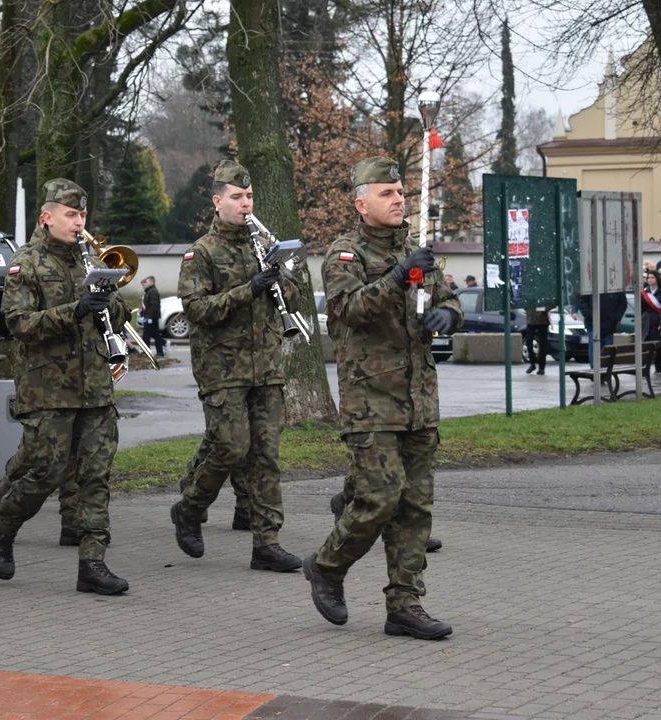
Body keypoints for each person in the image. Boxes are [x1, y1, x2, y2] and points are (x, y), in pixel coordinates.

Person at [303, 156, 461, 639]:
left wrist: (448, 316)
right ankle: (328, 566)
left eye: (400, 192)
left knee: (416, 506)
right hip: (371, 400)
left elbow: (445, 297)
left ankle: (404, 605)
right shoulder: (344, 254)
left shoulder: (416, 253)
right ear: (361, 203)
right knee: (380, 498)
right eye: (387, 193)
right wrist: (396, 279)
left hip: (418, 398)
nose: (399, 200)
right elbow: (347, 310)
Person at [0, 178, 130, 595]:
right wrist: (74, 309)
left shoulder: (91, 261)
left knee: (96, 475)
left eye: (82, 214)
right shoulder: (25, 263)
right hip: (49, 390)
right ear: (47, 218)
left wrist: (109, 299)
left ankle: (93, 563)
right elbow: (18, 324)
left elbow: (119, 317)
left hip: (96, 387)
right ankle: (3, 526)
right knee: (46, 471)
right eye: (70, 214)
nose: (78, 222)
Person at [170, 159, 303, 573]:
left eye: (248, 197)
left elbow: (294, 299)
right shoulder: (202, 252)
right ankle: (190, 508)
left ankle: (267, 543)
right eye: (237, 197)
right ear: (217, 201)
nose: (245, 204)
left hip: (266, 364)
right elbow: (196, 310)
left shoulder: (262, 246)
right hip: (222, 368)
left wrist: (282, 280)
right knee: (230, 445)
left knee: (265, 455)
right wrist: (250, 289)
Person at [578, 292, 627, 367]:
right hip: (593, 324)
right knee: (595, 351)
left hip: (608, 325)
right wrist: (590, 315)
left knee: (605, 352)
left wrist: (615, 317)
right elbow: (582, 302)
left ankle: (603, 374)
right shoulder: (590, 286)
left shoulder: (615, 287)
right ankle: (596, 373)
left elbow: (622, 304)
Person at [642, 270, 661, 374]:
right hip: (646, 322)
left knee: (659, 346)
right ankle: (644, 367)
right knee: (645, 345)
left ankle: (659, 368)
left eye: (652, 277)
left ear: (657, 279)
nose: (650, 279)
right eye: (648, 278)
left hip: (657, 321)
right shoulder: (644, 293)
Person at [140, 276, 166, 357]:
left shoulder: (153, 292)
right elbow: (147, 305)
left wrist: (149, 317)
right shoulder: (149, 291)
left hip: (152, 318)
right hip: (149, 317)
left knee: (148, 335)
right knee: (151, 335)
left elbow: (154, 306)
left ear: (151, 282)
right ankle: (157, 350)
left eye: (146, 282)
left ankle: (157, 352)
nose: (144, 284)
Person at [524, 306, 552, 375]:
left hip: (542, 321)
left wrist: (545, 308)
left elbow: (552, 303)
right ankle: (532, 363)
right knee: (528, 341)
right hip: (531, 320)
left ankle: (541, 367)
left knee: (543, 344)